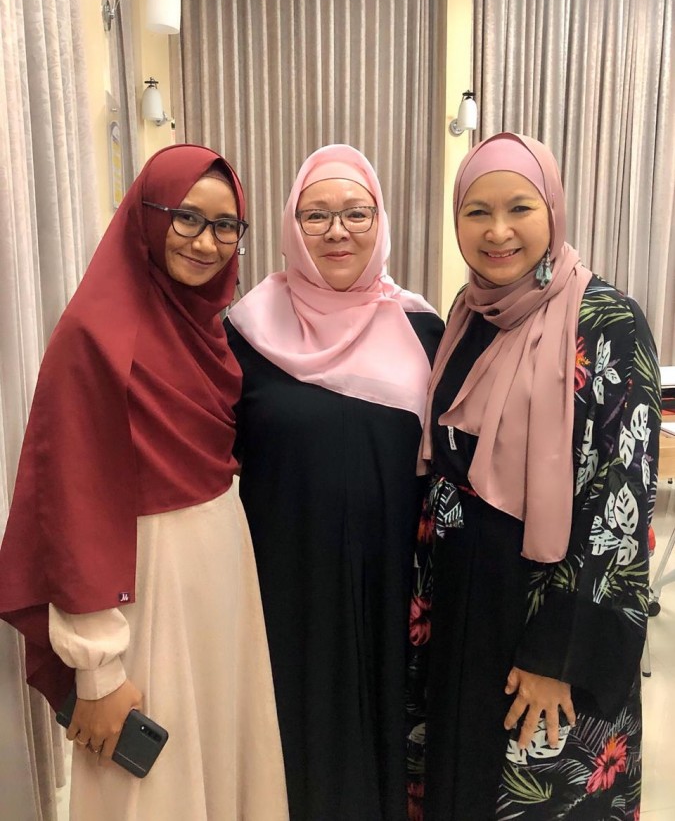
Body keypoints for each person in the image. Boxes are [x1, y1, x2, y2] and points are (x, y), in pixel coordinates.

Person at [0, 145, 288, 820]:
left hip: (220, 569)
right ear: (147, 215)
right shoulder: (94, 335)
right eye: (187, 217)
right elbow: (71, 502)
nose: (206, 242)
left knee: (221, 743)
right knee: (152, 783)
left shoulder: (209, 331)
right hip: (142, 582)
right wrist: (97, 668)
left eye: (225, 226)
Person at [406, 132, 660, 820]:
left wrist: (558, 655)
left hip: (544, 610)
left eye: (519, 208)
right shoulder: (467, 314)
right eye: (476, 212)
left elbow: (620, 499)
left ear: (552, 210)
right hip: (463, 600)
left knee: (532, 790)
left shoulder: (605, 322)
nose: (497, 232)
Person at [225, 144, 444, 820]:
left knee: (385, 734)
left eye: (355, 212)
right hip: (283, 580)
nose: (336, 230)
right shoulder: (245, 331)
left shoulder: (423, 329)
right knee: (293, 740)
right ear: (291, 225)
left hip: (392, 579)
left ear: (380, 220)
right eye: (315, 214)